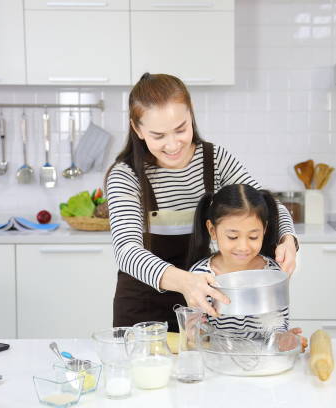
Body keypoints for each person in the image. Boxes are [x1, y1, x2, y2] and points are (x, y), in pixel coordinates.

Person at [106, 73, 298, 331]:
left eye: (181, 129)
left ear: (191, 114)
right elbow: (127, 252)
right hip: (143, 309)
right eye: (158, 135)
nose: (173, 144)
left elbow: (267, 206)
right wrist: (185, 282)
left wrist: (288, 240)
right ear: (137, 129)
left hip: (205, 309)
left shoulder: (215, 160)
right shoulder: (126, 176)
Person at [187, 184, 307, 351]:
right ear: (212, 230)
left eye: (253, 236)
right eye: (233, 236)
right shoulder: (200, 276)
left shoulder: (272, 273)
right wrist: (194, 332)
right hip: (218, 362)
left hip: (262, 363)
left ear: (264, 230)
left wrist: (283, 339)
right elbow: (200, 335)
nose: (243, 246)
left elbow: (276, 328)